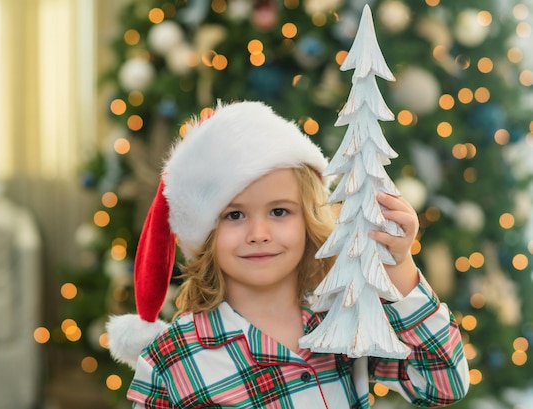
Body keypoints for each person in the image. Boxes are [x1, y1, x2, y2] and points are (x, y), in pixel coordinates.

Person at [107, 100, 469, 408]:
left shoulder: (343, 317)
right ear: (206, 233)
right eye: (234, 215)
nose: (259, 234)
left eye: (279, 211)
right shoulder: (173, 359)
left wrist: (399, 265)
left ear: (309, 219)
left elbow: (443, 384)